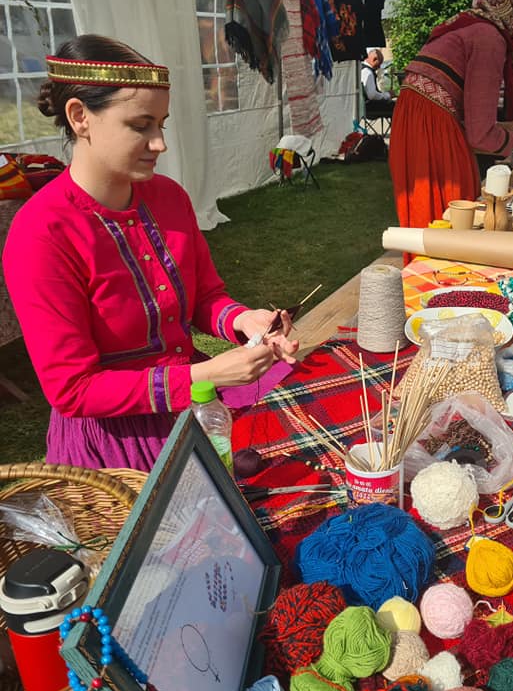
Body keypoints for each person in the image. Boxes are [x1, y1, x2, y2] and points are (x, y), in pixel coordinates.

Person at [1, 35, 298, 472]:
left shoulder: (169, 198)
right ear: (80, 117)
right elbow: (73, 390)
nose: (160, 143)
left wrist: (242, 320)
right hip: (115, 440)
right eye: (141, 126)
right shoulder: (42, 233)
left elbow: (204, 297)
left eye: (161, 124)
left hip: (197, 405)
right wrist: (204, 375)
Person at [389, 0, 513, 228]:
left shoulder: (472, 27)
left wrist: (508, 127)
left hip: (418, 120)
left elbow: (466, 115)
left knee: (425, 215)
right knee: (456, 214)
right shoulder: (489, 39)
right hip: (432, 127)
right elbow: (480, 137)